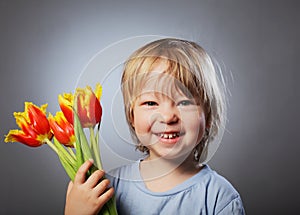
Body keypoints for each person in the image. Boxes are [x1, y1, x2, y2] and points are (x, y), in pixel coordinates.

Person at [64, 38, 245, 215]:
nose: (167, 117)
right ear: (132, 117)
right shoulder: (107, 188)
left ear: (208, 117)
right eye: (151, 103)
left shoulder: (219, 198)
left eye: (184, 102)